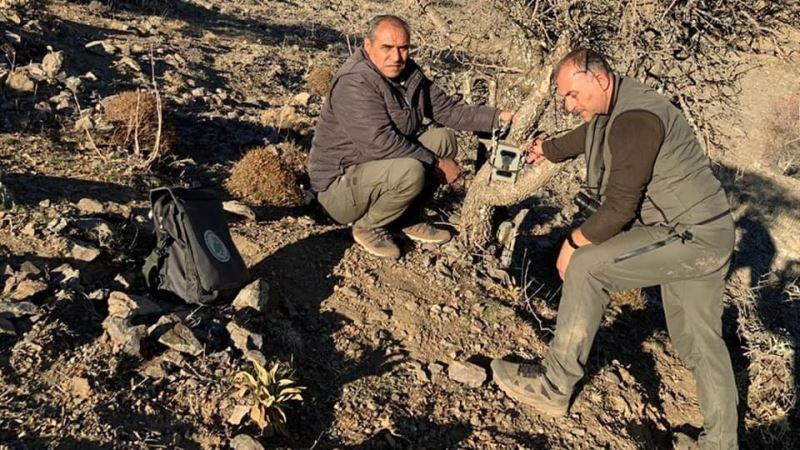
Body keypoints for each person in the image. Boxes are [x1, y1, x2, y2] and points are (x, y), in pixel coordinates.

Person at [491, 49, 738, 449]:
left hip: (687, 235)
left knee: (588, 265)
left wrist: (572, 242)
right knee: (700, 340)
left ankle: (554, 384)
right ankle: (721, 444)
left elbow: (620, 209)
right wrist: (548, 149)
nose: (570, 106)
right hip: (711, 232)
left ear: (600, 80)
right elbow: (591, 134)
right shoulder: (624, 101)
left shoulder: (636, 121)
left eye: (572, 95)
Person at [308, 14, 513, 259]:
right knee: (412, 170)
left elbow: (448, 111)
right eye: (387, 47)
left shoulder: (408, 73)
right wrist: (436, 163)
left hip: (375, 170)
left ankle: (406, 218)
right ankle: (369, 226)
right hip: (340, 186)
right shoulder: (355, 82)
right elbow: (380, 143)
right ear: (367, 45)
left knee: (443, 140)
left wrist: (499, 117)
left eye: (403, 48)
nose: (396, 57)